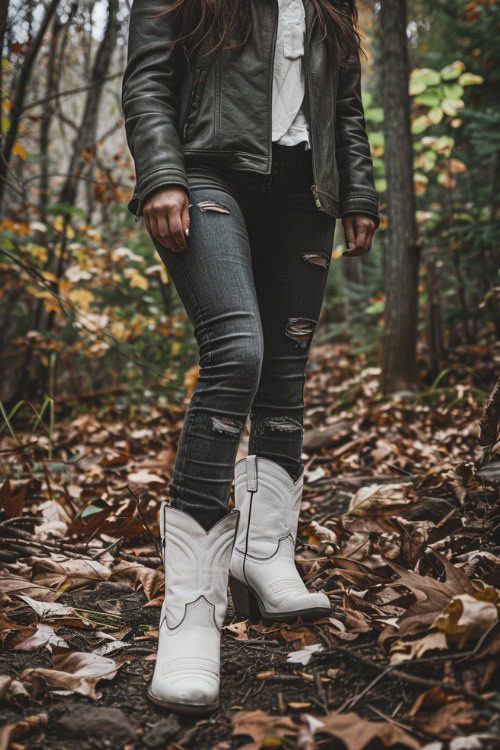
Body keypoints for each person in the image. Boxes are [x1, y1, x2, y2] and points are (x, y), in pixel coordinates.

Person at [122, 0, 380, 714]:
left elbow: (345, 102)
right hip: (207, 174)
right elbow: (147, 79)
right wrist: (160, 173)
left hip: (308, 187)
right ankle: (190, 614)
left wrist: (357, 189)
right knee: (237, 352)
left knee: (286, 366)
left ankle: (265, 553)